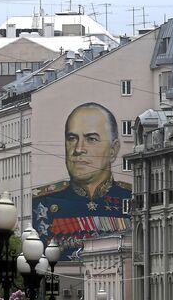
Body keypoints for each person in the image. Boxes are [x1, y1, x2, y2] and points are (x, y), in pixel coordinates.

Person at [32, 103, 131, 255]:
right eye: (72, 139)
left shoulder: (130, 198)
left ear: (113, 150)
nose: (78, 149)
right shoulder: (44, 202)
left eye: (91, 139)